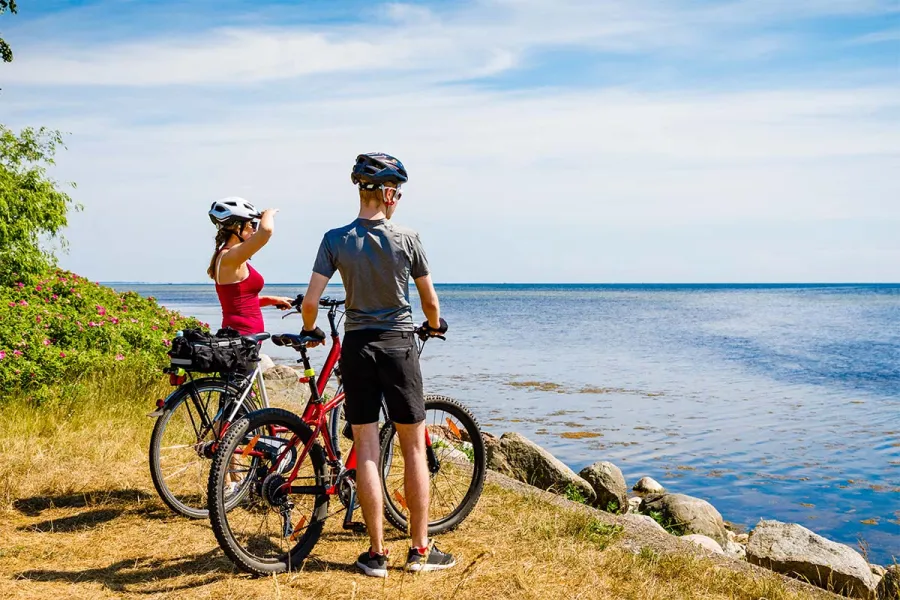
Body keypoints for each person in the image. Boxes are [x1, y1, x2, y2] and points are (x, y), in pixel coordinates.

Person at [300, 153, 453, 577]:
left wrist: (311, 330)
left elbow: (310, 302)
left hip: (357, 348)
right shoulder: (407, 238)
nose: (398, 199)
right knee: (413, 448)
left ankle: (376, 554)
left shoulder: (334, 239)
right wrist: (435, 326)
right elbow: (430, 302)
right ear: (386, 192)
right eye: (397, 192)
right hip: (398, 346)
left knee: (365, 447)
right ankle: (420, 551)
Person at [207, 197, 293, 334]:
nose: (254, 229)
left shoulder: (230, 257)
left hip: (245, 340)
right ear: (237, 227)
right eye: (251, 224)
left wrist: (273, 300)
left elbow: (241, 303)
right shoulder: (230, 257)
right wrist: (268, 214)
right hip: (242, 338)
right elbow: (266, 231)